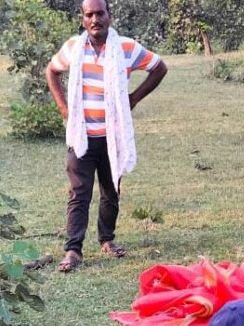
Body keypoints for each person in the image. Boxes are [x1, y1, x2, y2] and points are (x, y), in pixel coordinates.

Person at [45, 0, 167, 273]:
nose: (94, 19)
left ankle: (107, 240)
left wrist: (134, 97)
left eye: (100, 13)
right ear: (83, 18)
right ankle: (73, 249)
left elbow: (159, 67)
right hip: (82, 135)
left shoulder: (125, 48)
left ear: (109, 15)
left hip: (113, 135)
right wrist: (63, 108)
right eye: (89, 15)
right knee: (79, 192)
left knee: (111, 190)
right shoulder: (73, 48)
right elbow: (51, 71)